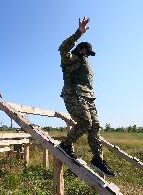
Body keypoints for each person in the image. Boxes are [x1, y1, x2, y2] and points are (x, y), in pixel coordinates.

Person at [58, 17, 115, 176]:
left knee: (95, 126)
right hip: (74, 94)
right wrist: (79, 33)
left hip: (89, 97)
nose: (88, 56)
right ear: (81, 49)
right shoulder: (71, 58)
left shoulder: (85, 61)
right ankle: (66, 145)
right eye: (87, 52)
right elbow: (62, 48)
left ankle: (98, 159)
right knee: (85, 122)